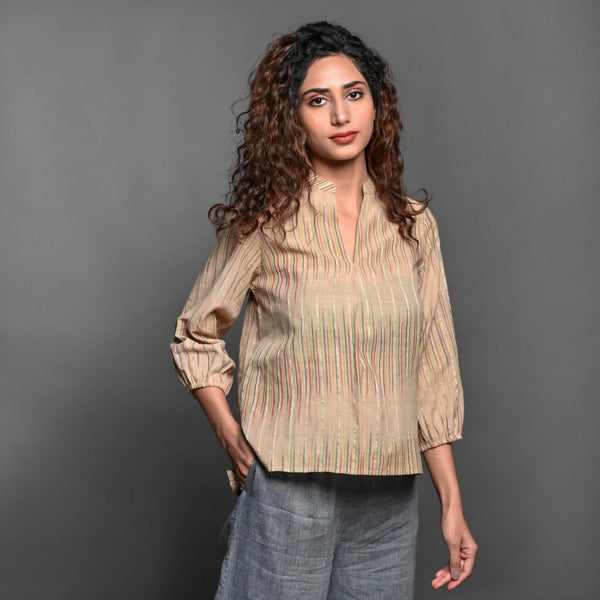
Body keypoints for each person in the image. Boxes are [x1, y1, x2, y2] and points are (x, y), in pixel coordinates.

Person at [171, 21, 477, 599]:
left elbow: (433, 371)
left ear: (376, 106)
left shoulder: (413, 227)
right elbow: (195, 337)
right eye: (319, 100)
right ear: (293, 118)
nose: (341, 116)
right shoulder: (265, 222)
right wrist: (233, 439)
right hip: (289, 494)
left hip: (388, 502)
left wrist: (451, 507)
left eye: (354, 94)